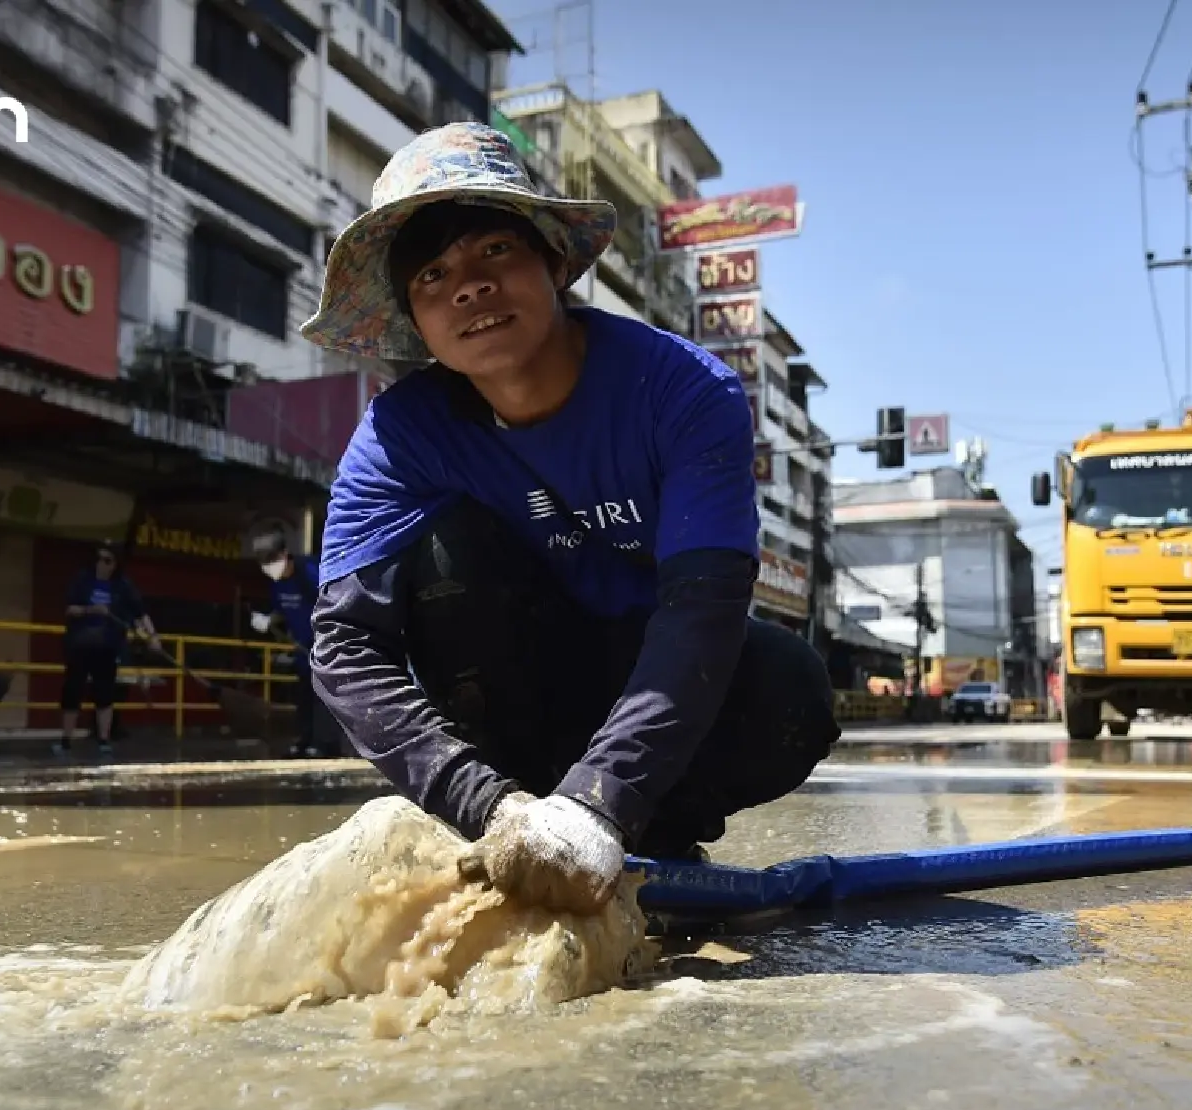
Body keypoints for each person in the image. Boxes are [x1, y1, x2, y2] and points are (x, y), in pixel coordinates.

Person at [298, 123, 842, 915]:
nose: (469, 286)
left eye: (495, 252)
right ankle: (522, 825)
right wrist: (487, 804)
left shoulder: (684, 392)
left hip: (648, 673)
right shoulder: (397, 436)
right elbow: (345, 644)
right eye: (434, 274)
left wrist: (601, 800)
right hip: (509, 708)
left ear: (554, 261)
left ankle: (647, 829)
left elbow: (703, 610)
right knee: (446, 551)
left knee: (792, 688)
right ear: (416, 320)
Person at [56, 542, 155, 756]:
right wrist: (91, 610)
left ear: (115, 564)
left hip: (107, 648)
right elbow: (70, 609)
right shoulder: (83, 579)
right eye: (99, 559)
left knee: (105, 694)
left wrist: (152, 636)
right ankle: (65, 740)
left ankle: (103, 740)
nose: (101, 564)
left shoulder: (122, 586)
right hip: (79, 645)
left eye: (107, 560)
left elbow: (140, 613)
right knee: (73, 691)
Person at [250, 528, 335, 758]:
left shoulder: (308, 572)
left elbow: (331, 602)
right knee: (304, 696)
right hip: (301, 649)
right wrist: (268, 621)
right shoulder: (277, 584)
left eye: (272, 560)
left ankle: (324, 744)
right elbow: (282, 610)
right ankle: (304, 740)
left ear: (285, 554)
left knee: (323, 696)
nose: (268, 566)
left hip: (323, 644)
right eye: (263, 562)